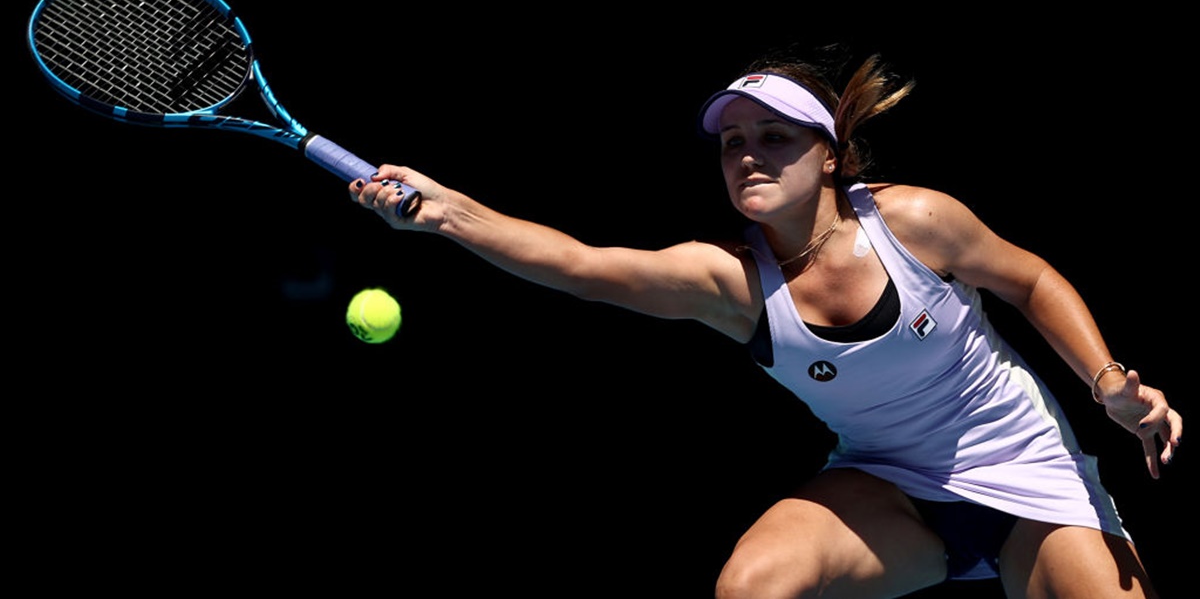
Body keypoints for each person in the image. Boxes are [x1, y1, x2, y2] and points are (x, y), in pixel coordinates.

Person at [349, 46, 1182, 598]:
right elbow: (580, 265)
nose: (747, 153)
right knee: (751, 583)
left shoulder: (915, 221)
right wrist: (447, 213)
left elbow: (1030, 279)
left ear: (828, 153)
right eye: (732, 142)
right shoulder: (733, 282)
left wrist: (1108, 385)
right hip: (891, 491)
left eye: (773, 137)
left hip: (1031, 477)